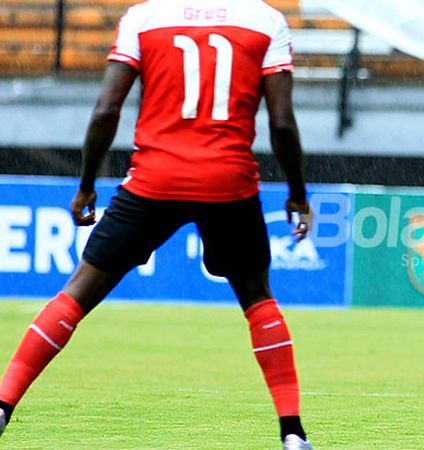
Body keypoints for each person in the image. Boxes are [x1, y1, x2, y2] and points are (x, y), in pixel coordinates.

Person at [0, 1, 314, 448]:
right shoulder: (264, 20)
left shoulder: (145, 17)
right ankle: (293, 433)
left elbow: (106, 110)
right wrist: (297, 192)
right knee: (259, 300)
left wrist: (87, 184)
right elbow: (282, 122)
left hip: (154, 179)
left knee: (77, 292)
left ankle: (2, 404)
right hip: (228, 181)